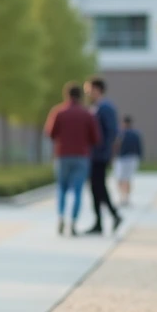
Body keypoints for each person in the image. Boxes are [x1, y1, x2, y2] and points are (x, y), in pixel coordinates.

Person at [44, 83, 100, 235]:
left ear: (66, 95)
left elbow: (50, 133)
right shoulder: (87, 114)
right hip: (81, 156)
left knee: (61, 188)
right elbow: (95, 138)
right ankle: (73, 223)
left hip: (62, 155)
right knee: (78, 190)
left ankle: (61, 216)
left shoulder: (58, 112)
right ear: (80, 95)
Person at [83, 78, 122, 234]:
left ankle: (112, 215)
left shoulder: (105, 108)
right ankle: (101, 220)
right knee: (96, 188)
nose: (87, 93)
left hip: (100, 155)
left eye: (89, 90)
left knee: (98, 186)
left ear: (97, 89)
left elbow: (112, 132)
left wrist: (106, 152)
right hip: (95, 154)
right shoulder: (97, 107)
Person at [115, 115, 143, 207]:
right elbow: (139, 148)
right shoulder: (136, 134)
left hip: (122, 158)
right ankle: (127, 198)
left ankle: (122, 197)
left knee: (120, 179)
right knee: (128, 179)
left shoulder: (121, 134)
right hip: (133, 158)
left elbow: (116, 146)